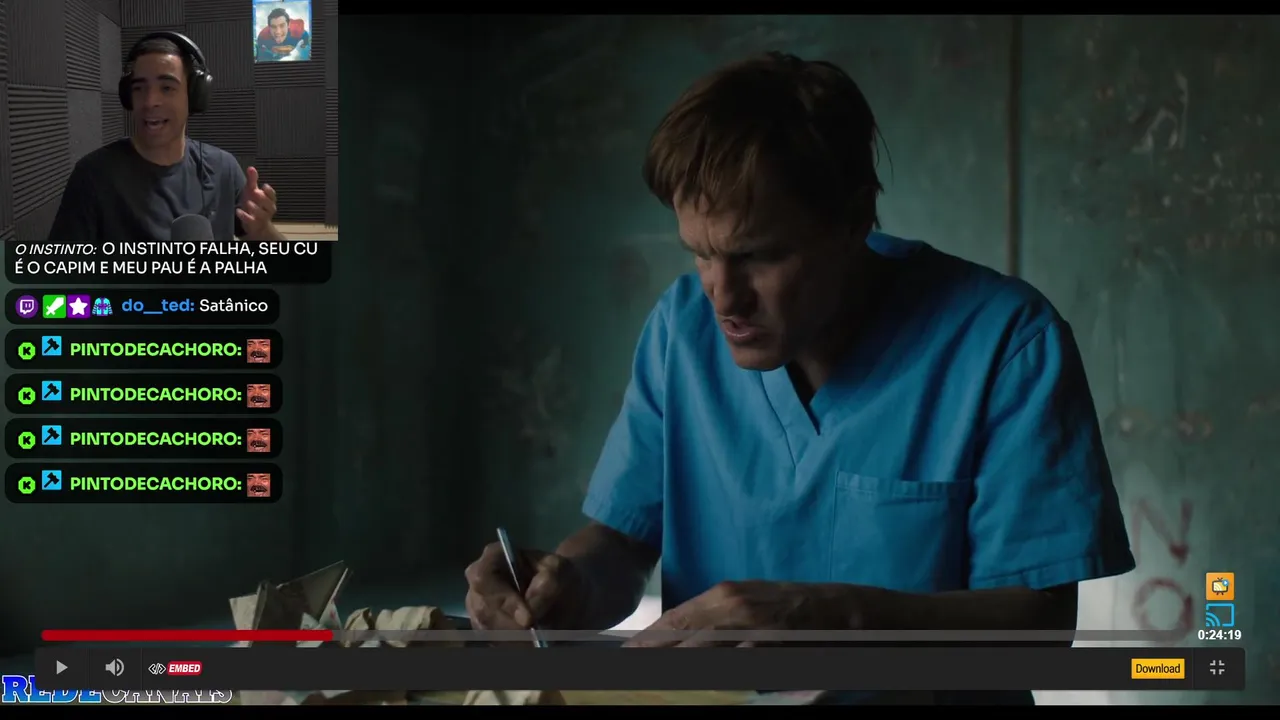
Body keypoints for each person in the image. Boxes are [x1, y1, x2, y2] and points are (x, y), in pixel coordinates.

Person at [464, 52, 1135, 704]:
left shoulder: (1005, 344)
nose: (723, 298)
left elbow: (1042, 629)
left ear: (854, 219)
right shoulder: (680, 330)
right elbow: (622, 540)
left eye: (757, 257)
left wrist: (836, 619)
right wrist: (566, 588)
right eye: (701, 254)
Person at [48, 32, 284, 243]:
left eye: (167, 88)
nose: (150, 102)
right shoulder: (93, 176)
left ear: (193, 95)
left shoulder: (224, 169)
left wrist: (263, 231)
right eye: (139, 88)